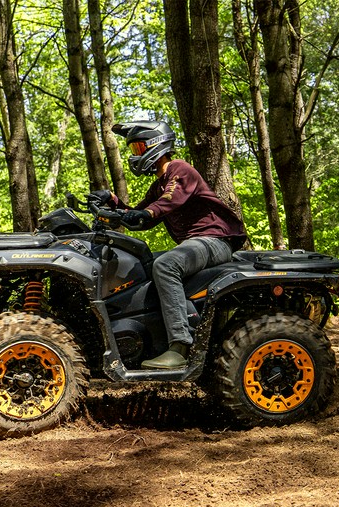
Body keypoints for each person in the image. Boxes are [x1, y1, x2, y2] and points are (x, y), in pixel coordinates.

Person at [89, 120, 247, 370]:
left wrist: (148, 213)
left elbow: (169, 201)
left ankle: (180, 346)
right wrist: (112, 200)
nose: (135, 155)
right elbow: (138, 216)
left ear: (156, 144)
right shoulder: (160, 185)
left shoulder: (180, 169)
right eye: (134, 150)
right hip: (197, 244)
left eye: (139, 148)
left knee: (165, 265)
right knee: (145, 266)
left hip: (216, 240)